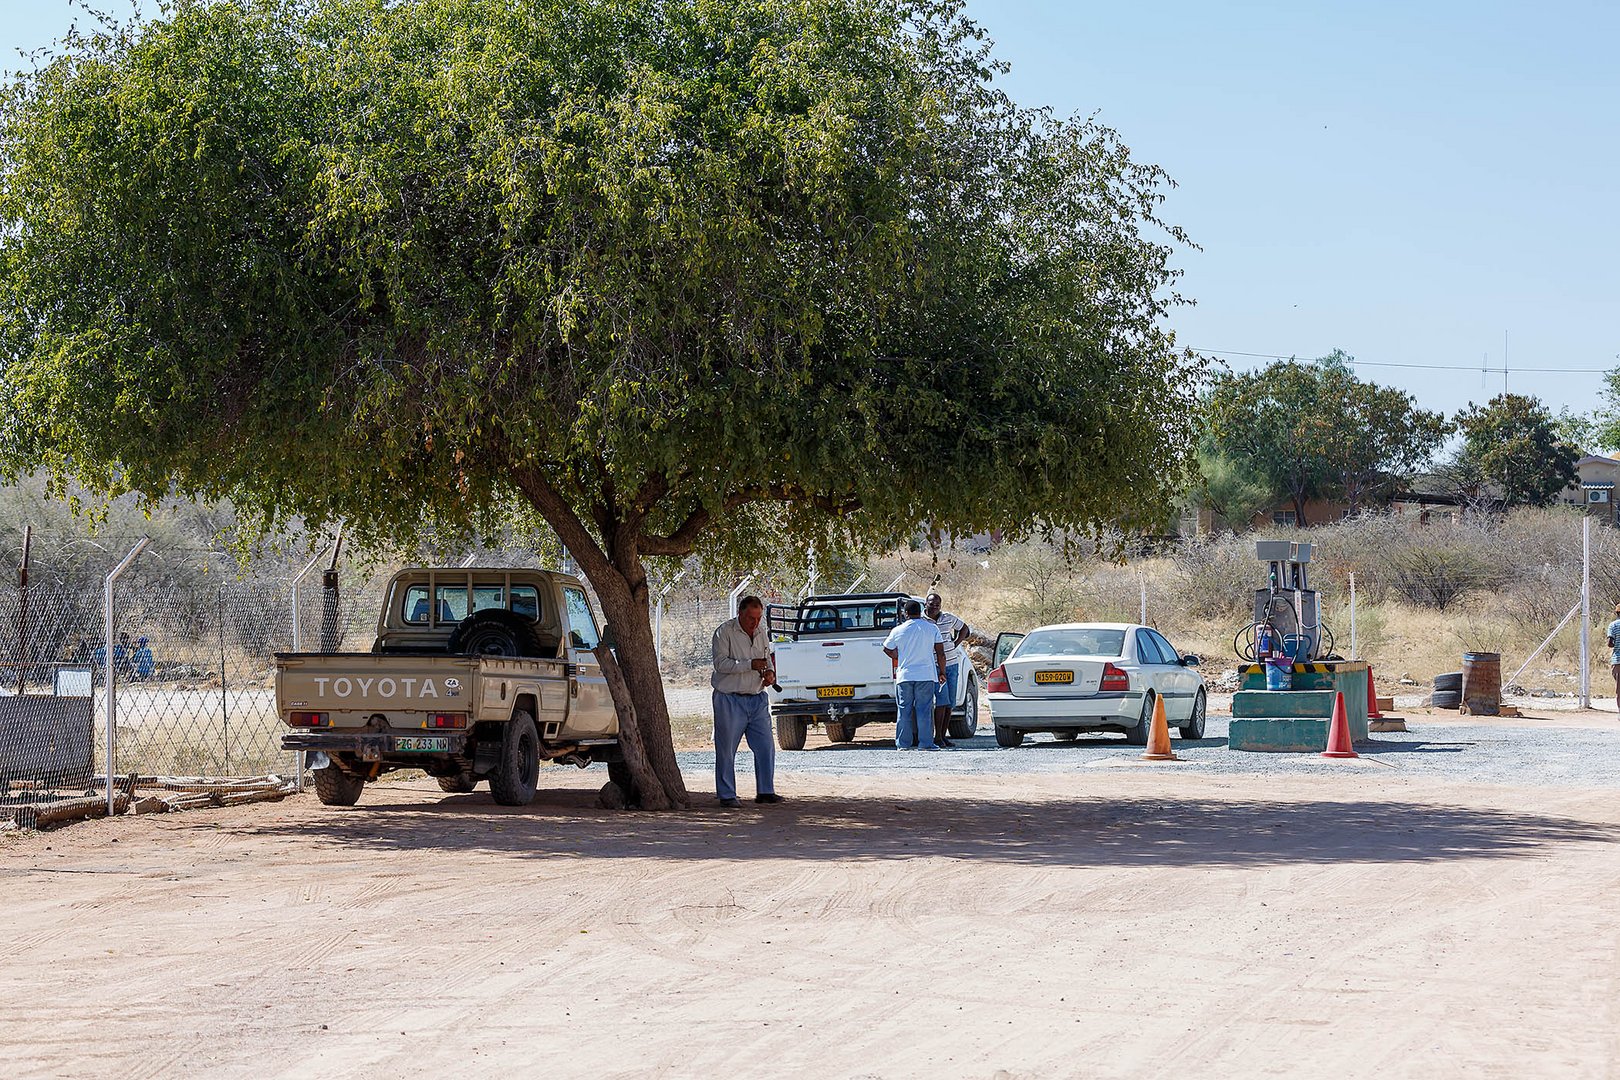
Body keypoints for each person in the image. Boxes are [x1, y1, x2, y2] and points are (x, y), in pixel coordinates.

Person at [710, 595, 784, 808]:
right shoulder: (724, 632)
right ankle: (727, 795)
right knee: (726, 749)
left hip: (757, 698)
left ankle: (765, 791)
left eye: (759, 617)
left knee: (765, 746)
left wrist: (769, 673)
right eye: (751, 618)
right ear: (740, 613)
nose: (755, 623)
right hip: (729, 699)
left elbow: (767, 659)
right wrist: (749, 665)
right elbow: (720, 664)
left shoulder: (761, 632)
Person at [882, 598, 946, 751]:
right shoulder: (932, 629)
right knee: (924, 710)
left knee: (904, 710)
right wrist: (942, 672)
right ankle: (926, 743)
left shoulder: (898, 630)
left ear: (905, 613)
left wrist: (898, 656)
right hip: (926, 675)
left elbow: (886, 648)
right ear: (921, 612)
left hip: (905, 676)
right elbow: (941, 653)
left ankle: (903, 744)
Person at [924, 592, 970, 747]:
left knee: (949, 703)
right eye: (932, 603)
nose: (935, 606)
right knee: (941, 702)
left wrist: (956, 643)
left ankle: (943, 737)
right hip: (935, 666)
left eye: (937, 604)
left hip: (952, 664)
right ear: (926, 604)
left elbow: (964, 628)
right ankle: (937, 736)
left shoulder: (948, 618)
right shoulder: (923, 621)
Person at [1607, 603, 1620, 710]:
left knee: (1619, 688)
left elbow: (1610, 643)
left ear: (1616, 613)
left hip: (1617, 660)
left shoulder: (1613, 625)